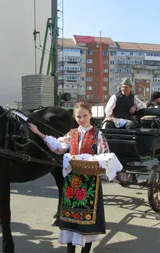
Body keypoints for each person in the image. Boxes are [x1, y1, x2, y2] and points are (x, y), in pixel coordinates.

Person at [28, 102, 121, 253]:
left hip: (90, 181)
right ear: (75, 118)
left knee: (87, 220)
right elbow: (58, 146)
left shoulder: (98, 135)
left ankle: (85, 250)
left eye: (85, 115)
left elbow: (105, 155)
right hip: (72, 181)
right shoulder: (71, 134)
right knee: (70, 218)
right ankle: (70, 249)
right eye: (78, 116)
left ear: (90, 115)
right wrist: (39, 133)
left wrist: (89, 160)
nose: (82, 119)